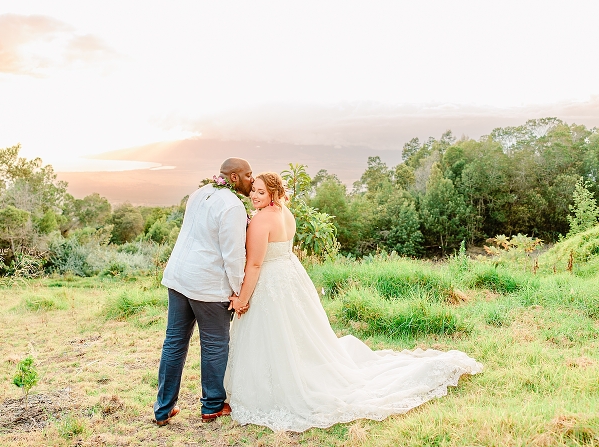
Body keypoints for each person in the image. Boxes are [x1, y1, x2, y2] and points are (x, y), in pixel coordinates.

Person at [224, 172, 483, 432]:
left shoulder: (260, 221)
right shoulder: (285, 214)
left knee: (276, 334)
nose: (254, 196)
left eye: (260, 192)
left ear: (273, 193)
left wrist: (242, 299)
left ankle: (278, 383)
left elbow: (255, 263)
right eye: (253, 191)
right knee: (295, 334)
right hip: (291, 277)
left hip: (272, 281)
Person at [153, 158, 254, 426]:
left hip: (178, 276)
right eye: (247, 175)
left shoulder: (199, 193)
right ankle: (211, 406)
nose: (252, 180)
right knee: (214, 344)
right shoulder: (232, 206)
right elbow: (233, 255)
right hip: (208, 285)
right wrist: (238, 291)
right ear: (233, 178)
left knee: (174, 342)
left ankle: (162, 409)